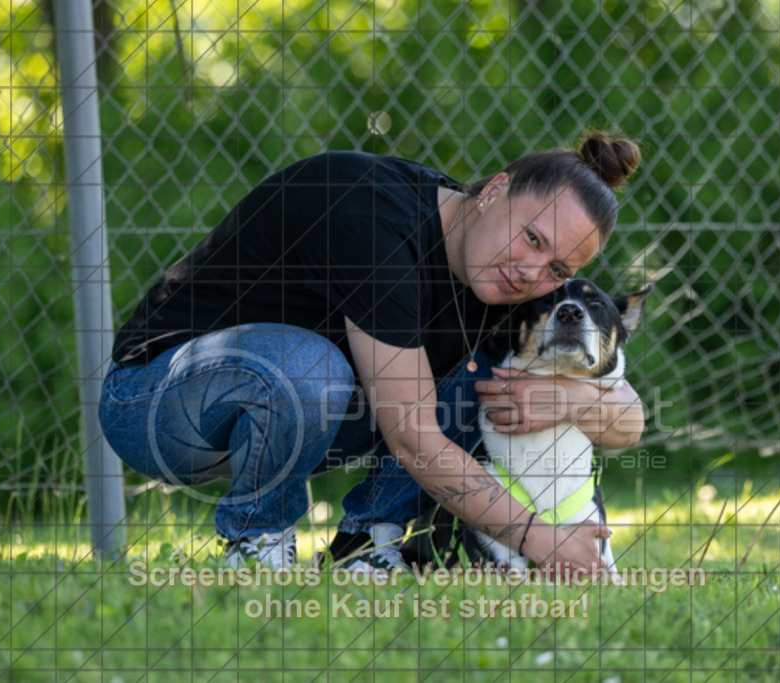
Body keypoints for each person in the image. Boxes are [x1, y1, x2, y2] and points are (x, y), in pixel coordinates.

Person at [98, 131, 645, 572]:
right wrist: (542, 540)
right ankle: (258, 541)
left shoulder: (501, 282)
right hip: (156, 401)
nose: (531, 271)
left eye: (557, 269)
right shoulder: (373, 217)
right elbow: (414, 440)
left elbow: (629, 420)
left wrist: (573, 401)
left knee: (482, 376)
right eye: (532, 238)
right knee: (316, 370)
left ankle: (364, 547)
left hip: (304, 420)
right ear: (495, 190)